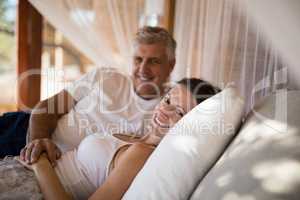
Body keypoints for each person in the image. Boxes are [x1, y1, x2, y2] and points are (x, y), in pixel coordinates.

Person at [0, 78, 219, 200]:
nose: (165, 110)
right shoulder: (136, 138)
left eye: (179, 113)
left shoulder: (142, 154)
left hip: (32, 181)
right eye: (168, 99)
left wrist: (41, 165)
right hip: (22, 166)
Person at [0, 26, 176, 163]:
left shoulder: (167, 111)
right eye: (138, 60)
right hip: (27, 131)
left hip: (58, 167)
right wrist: (38, 141)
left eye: (154, 61)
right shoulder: (105, 76)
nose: (143, 69)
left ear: (170, 65)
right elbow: (47, 107)